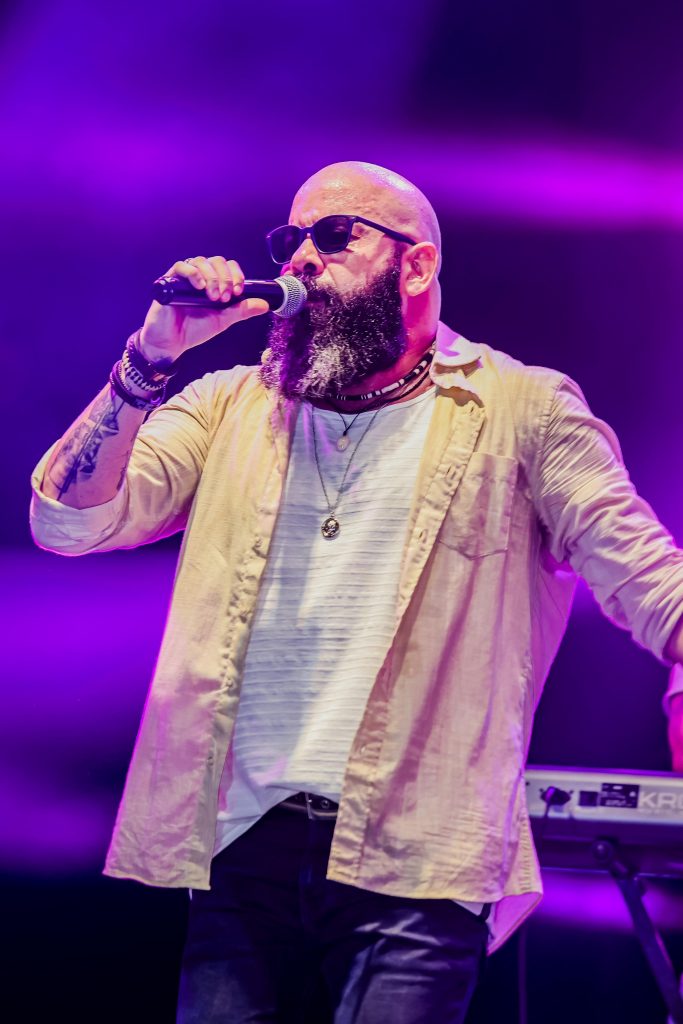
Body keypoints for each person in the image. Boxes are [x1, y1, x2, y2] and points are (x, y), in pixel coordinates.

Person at [30, 161, 683, 1024]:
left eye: (334, 235)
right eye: (289, 240)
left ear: (416, 266)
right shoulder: (228, 406)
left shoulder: (523, 409)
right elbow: (68, 521)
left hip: (418, 851)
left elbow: (642, 570)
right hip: (240, 842)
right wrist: (152, 357)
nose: (300, 258)